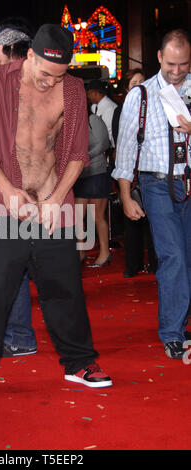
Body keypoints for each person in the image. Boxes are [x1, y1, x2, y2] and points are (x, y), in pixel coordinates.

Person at [0, 24, 112, 400]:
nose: (49, 82)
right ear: (29, 56)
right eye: (44, 73)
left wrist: (57, 198)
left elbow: (76, 153)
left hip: (51, 207)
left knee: (64, 289)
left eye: (58, 75)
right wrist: (8, 191)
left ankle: (79, 362)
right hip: (3, 205)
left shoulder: (72, 90)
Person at [112, 29, 191, 359]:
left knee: (186, 256)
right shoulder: (140, 95)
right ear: (159, 57)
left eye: (184, 64)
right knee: (172, 255)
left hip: (188, 181)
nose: (176, 71)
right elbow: (126, 152)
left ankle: (179, 319)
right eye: (171, 64)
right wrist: (127, 196)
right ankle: (172, 331)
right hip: (156, 184)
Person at [0, 18, 38, 358]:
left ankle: (19, 336)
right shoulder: (42, 80)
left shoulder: (4, 83)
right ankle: (18, 334)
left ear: (6, 50)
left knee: (11, 269)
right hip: (36, 189)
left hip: (14, 190)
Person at [112, 69, 157, 278]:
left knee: (154, 227)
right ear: (127, 88)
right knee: (133, 223)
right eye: (135, 82)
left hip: (153, 175)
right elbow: (121, 145)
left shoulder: (154, 105)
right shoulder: (123, 110)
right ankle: (133, 264)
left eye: (142, 80)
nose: (140, 85)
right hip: (132, 175)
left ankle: (154, 264)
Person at [73, 104, 112, 267]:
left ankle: (105, 252)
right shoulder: (72, 122)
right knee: (77, 216)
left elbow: (104, 143)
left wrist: (84, 156)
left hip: (96, 171)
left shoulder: (92, 119)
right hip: (79, 175)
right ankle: (81, 252)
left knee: (97, 216)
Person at [87, 79, 117, 148]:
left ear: (95, 93)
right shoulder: (94, 106)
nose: (88, 97)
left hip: (107, 147)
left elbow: (108, 132)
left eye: (89, 94)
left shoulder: (110, 108)